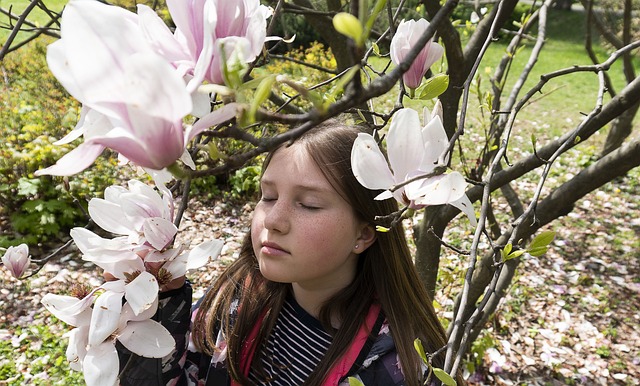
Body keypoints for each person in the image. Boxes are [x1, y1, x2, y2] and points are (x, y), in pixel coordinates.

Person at [117, 121, 456, 386]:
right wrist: (156, 310)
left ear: (365, 233)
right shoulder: (237, 298)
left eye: (308, 204)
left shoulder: (395, 365)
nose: (274, 220)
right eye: (267, 196)